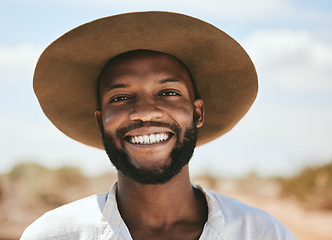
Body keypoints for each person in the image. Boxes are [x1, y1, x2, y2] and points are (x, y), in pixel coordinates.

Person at [21, 12, 297, 239]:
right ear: (99, 121)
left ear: (197, 112)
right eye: (120, 98)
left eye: (168, 93)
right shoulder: (53, 235)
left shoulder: (262, 233)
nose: (145, 112)